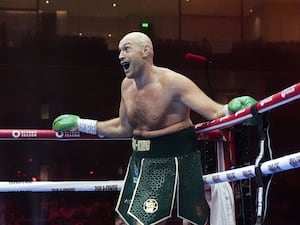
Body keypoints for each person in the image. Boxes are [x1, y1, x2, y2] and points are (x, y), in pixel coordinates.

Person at [52, 32, 256, 225]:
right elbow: (123, 127)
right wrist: (81, 124)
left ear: (146, 51)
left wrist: (236, 109)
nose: (120, 55)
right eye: (119, 51)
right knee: (122, 220)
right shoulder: (127, 85)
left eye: (126, 49)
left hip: (175, 159)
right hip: (140, 162)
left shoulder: (173, 82)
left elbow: (214, 111)